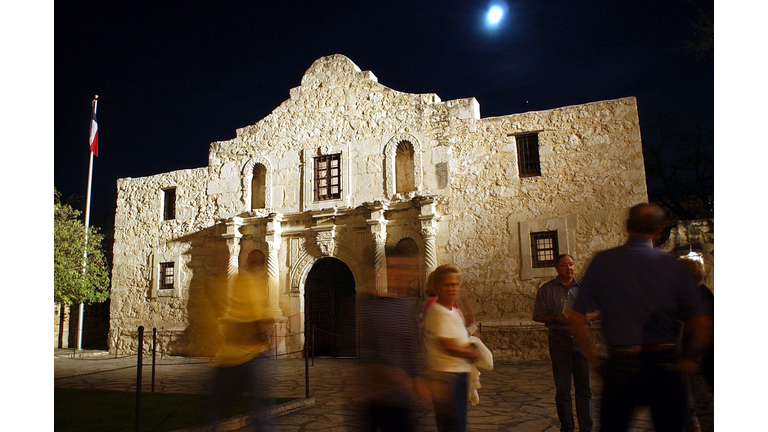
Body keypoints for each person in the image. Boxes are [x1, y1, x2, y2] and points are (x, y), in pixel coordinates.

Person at [570, 203, 713, 432]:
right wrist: (689, 360)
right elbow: (703, 324)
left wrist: (594, 359)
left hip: (622, 364)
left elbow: (577, 317)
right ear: (659, 230)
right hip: (665, 364)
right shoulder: (672, 266)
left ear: (627, 226)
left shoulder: (603, 262)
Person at [353, 252, 431, 431]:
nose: (400, 273)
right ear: (381, 271)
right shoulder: (371, 307)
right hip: (378, 399)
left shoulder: (403, 308)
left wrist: (418, 383)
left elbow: (408, 352)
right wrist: (394, 375)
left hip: (402, 399)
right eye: (394, 267)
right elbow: (367, 356)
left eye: (404, 268)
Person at [533, 254, 597, 432]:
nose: (569, 268)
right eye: (564, 265)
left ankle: (587, 428)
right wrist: (557, 317)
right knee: (562, 389)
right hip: (559, 340)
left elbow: (598, 311)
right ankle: (567, 427)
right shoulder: (547, 290)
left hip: (581, 339)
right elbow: (538, 315)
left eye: (571, 264)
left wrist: (587, 317)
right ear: (556, 268)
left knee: (585, 389)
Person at [423, 264, 478, 432]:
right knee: (453, 426)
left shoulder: (452, 310)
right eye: (447, 285)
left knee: (455, 425)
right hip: (447, 379)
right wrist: (472, 351)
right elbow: (449, 346)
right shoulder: (437, 311)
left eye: (455, 284)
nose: (452, 289)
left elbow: (461, 334)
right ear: (437, 287)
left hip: (458, 376)